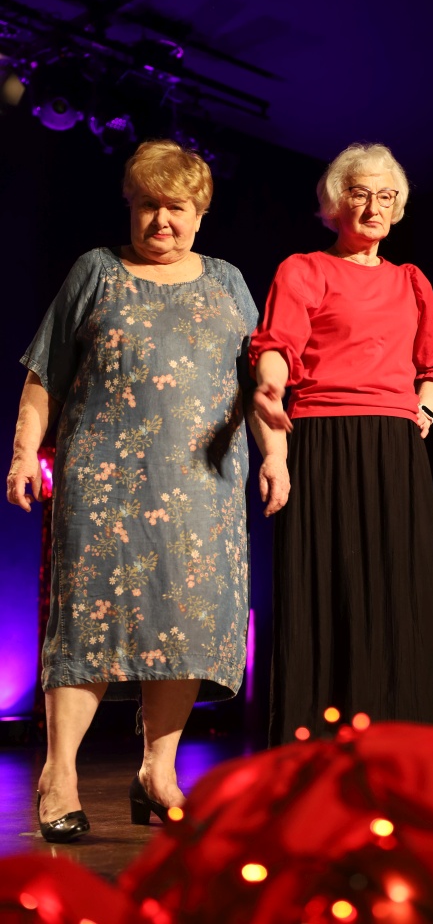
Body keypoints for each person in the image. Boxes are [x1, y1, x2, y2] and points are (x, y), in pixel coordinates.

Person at [5, 139, 289, 842]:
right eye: (148, 205)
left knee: (185, 625)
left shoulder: (228, 281)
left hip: (201, 488)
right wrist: (22, 451)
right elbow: (45, 371)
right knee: (86, 626)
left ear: (200, 213)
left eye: (177, 207)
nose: (162, 220)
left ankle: (157, 774)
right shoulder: (96, 271)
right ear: (129, 206)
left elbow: (259, 385)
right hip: (103, 485)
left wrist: (275, 456)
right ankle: (59, 777)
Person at [249, 142, 433, 746]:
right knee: (327, 592)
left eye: (386, 196)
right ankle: (314, 753)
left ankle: (395, 749)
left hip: (395, 446)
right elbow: (276, 345)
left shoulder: (411, 280)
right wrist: (269, 386)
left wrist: (422, 408)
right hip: (324, 438)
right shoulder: (305, 269)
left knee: (400, 593)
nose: (374, 207)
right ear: (335, 203)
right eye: (361, 194)